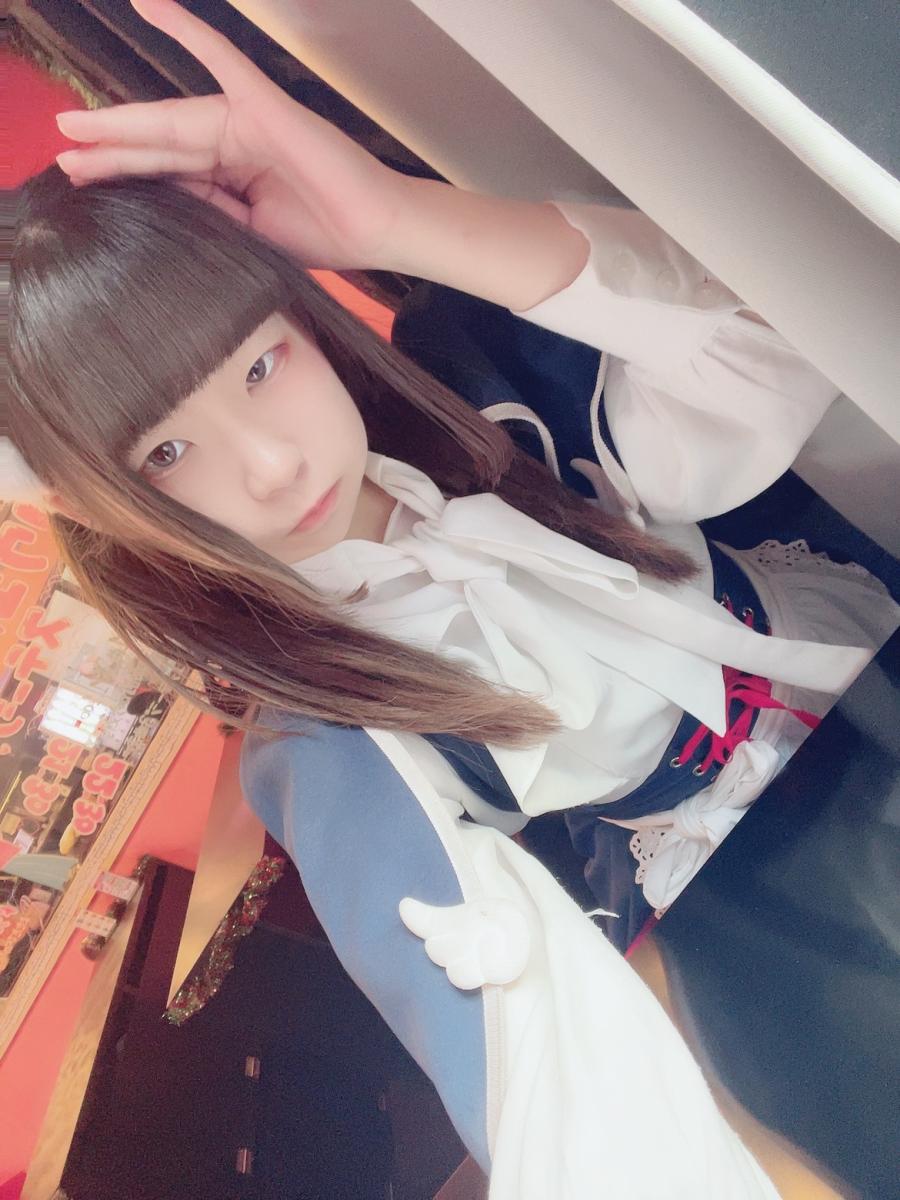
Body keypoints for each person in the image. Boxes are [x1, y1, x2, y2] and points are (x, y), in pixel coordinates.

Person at [5, 1, 897, 1194]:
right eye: (164, 454)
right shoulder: (323, 737)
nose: (269, 464)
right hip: (773, 893)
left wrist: (394, 215)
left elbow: (784, 342)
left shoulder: (478, 380)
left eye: (261, 363)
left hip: (865, 651)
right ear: (92, 504)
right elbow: (539, 1079)